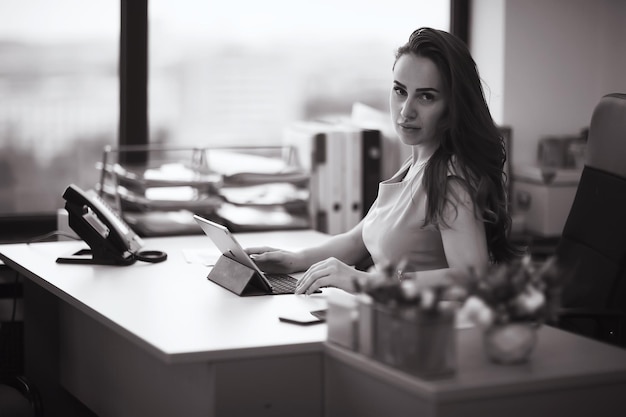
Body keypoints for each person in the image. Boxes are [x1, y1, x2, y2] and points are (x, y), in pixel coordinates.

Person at [246, 27, 520, 295]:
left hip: (426, 329)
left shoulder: (451, 182)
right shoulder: (414, 166)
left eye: (426, 96)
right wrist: (294, 259)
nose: (406, 110)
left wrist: (365, 281)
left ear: (452, 107)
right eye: (400, 91)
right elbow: (358, 240)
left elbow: (471, 278)